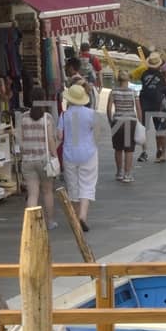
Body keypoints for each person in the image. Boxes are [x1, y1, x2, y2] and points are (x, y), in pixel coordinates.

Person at [58, 84, 98, 231]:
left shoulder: (65, 115)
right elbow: (97, 133)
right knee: (87, 184)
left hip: (69, 153)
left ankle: (75, 219)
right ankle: (82, 216)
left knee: (73, 186)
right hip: (88, 152)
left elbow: (59, 135)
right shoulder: (91, 113)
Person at [17, 86, 58, 227]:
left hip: (28, 160)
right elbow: (51, 140)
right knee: (47, 191)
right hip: (44, 160)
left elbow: (20, 141)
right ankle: (50, 221)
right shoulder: (47, 118)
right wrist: (55, 156)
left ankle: (31, 224)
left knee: (33, 194)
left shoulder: (23, 118)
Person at [139, 55, 166, 163]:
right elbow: (165, 90)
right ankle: (160, 151)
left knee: (143, 128)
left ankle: (144, 152)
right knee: (159, 129)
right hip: (157, 104)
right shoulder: (161, 76)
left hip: (145, 102)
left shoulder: (144, 74)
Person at [108, 70, 140, 183]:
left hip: (117, 121)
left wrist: (110, 121)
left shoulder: (113, 91)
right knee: (129, 150)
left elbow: (108, 108)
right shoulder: (133, 92)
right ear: (128, 79)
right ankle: (127, 174)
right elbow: (138, 108)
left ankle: (119, 173)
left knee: (118, 149)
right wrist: (140, 122)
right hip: (130, 122)